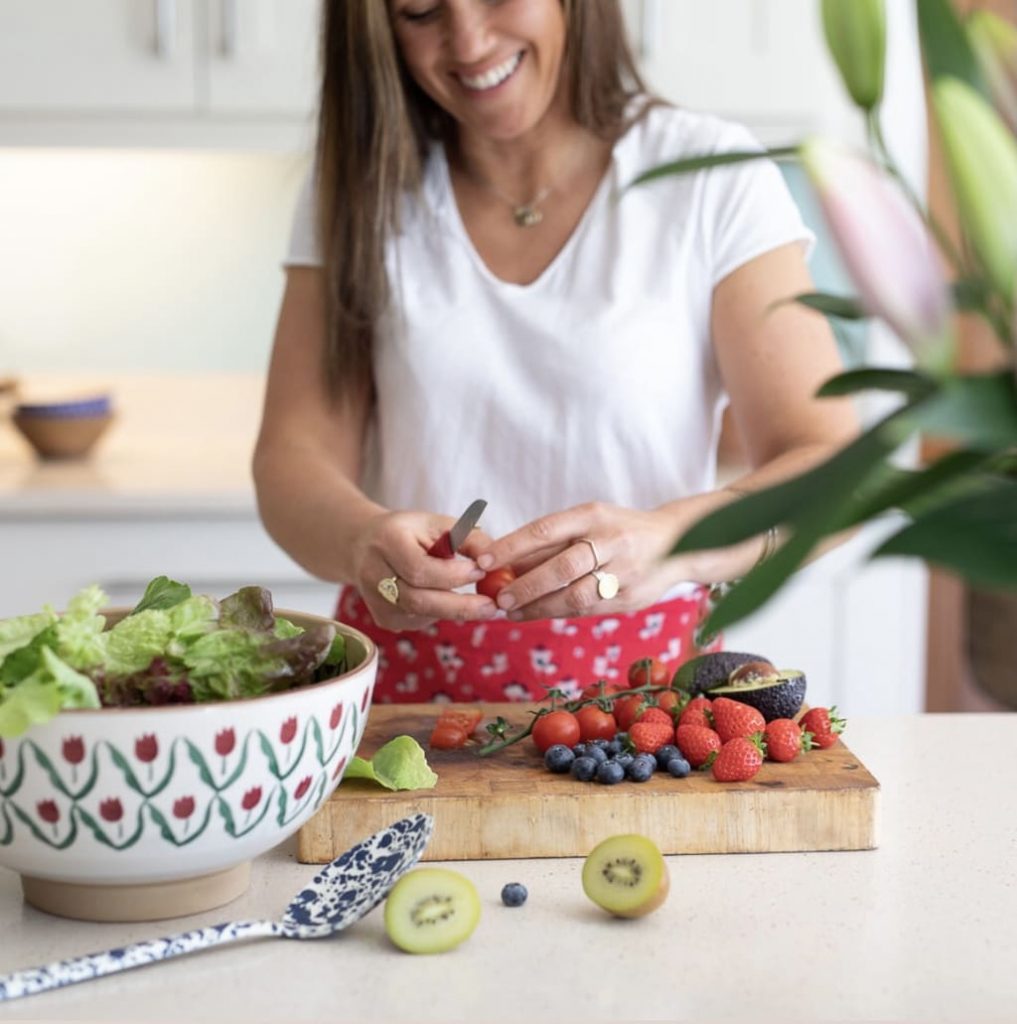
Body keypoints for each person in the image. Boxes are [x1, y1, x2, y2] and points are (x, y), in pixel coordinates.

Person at [253, 0, 859, 704]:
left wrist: (671, 540)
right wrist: (364, 542)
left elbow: (837, 474)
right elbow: (290, 464)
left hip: (647, 702)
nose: (469, 41)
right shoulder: (356, 188)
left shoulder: (708, 177)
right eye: (420, 10)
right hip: (403, 699)